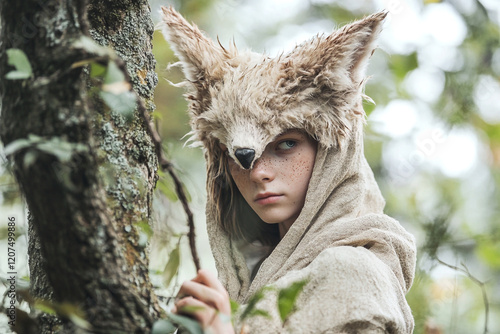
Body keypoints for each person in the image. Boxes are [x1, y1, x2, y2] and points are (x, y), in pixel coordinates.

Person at [161, 6, 417, 334]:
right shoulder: (245, 288)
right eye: (236, 155)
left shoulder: (352, 272)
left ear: (330, 152)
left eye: (285, 145)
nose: (257, 173)